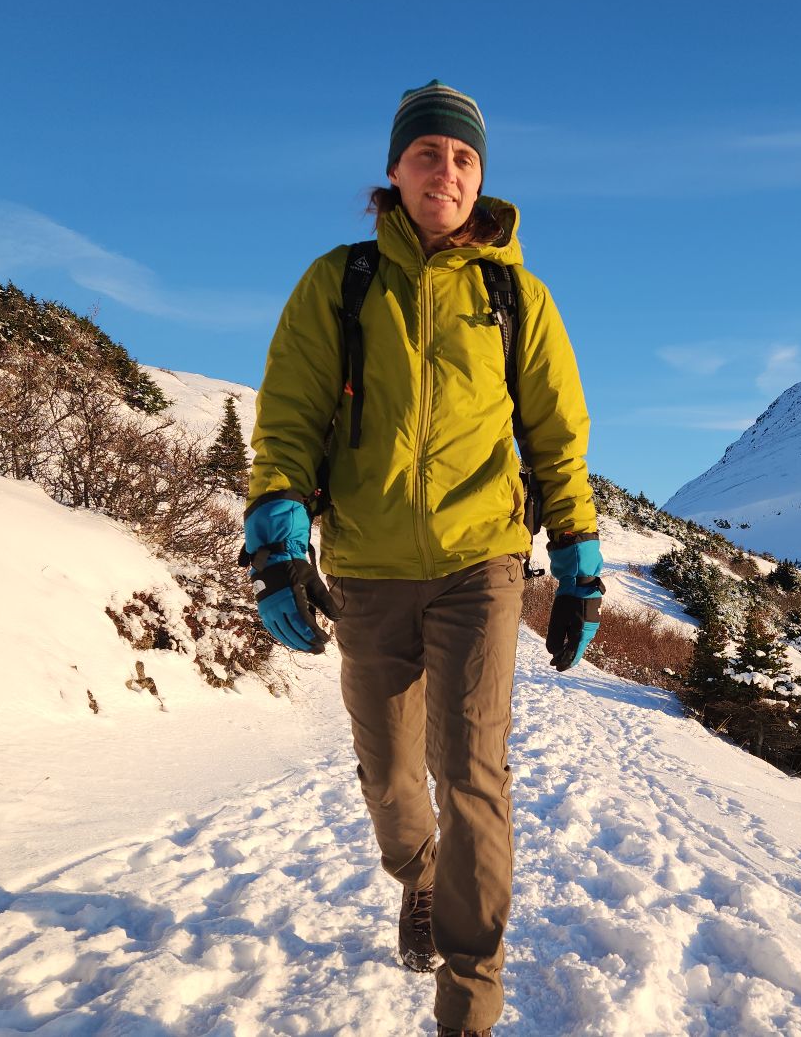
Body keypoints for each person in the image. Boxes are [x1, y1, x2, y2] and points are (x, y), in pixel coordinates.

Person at [243, 80, 602, 1037]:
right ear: (394, 170)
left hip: (481, 564)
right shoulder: (341, 281)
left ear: (481, 178)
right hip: (366, 566)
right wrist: (279, 537)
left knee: (472, 772)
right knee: (390, 780)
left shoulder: (515, 293)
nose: (446, 169)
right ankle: (422, 876)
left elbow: (556, 438)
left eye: (464, 157)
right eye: (428, 153)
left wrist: (578, 560)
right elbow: (288, 418)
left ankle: (469, 1002)